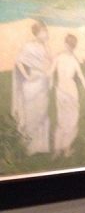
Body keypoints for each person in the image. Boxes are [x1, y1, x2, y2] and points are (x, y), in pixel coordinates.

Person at [51, 34, 85, 158]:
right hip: (70, 91)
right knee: (71, 120)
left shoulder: (59, 57)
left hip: (61, 91)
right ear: (74, 46)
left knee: (62, 119)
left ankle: (58, 149)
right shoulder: (73, 60)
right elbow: (81, 77)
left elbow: (50, 72)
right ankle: (65, 149)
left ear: (65, 44)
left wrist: (48, 83)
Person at [11, 21, 52, 155]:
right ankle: (31, 147)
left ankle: (41, 146)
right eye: (44, 31)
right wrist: (27, 77)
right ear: (37, 33)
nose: (46, 34)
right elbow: (18, 61)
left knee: (42, 112)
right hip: (32, 84)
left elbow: (51, 61)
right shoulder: (28, 46)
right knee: (31, 113)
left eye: (46, 31)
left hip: (43, 82)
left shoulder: (44, 46)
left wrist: (46, 45)